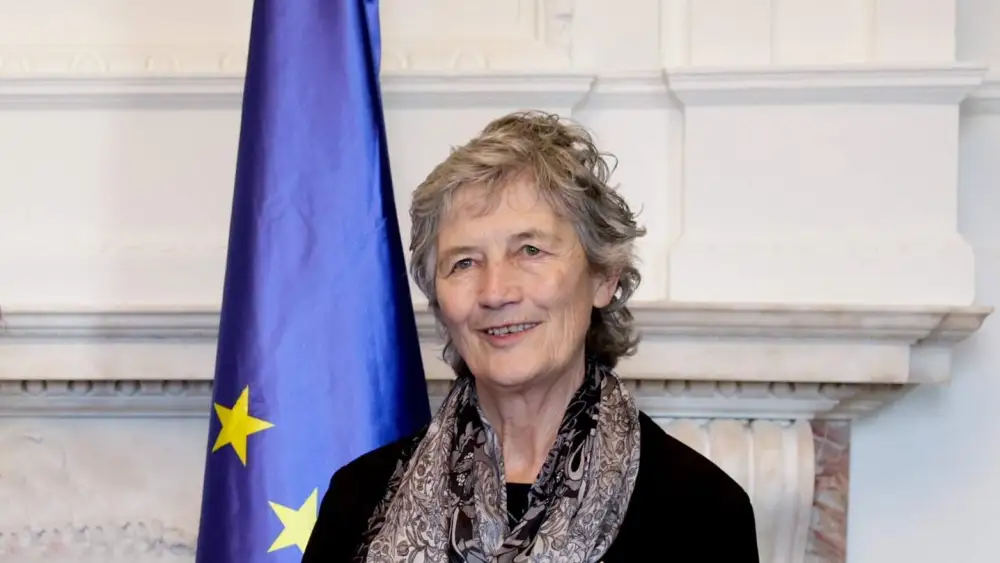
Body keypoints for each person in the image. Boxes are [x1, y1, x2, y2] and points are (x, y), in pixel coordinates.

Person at [302, 111, 760, 562]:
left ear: (604, 277)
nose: (496, 292)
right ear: (439, 300)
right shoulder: (358, 500)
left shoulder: (702, 512)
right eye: (464, 262)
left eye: (530, 250)